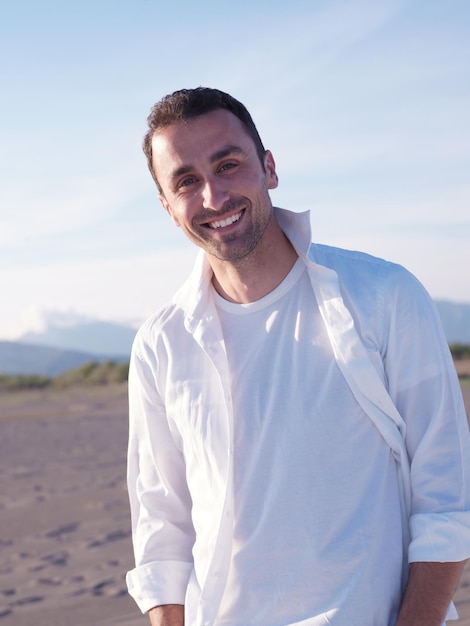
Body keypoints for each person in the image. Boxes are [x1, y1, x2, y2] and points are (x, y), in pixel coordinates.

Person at [126, 87, 470, 626]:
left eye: (229, 164)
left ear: (269, 167)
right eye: (187, 181)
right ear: (168, 208)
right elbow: (162, 526)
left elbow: (448, 495)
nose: (214, 196)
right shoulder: (160, 344)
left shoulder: (383, 296)